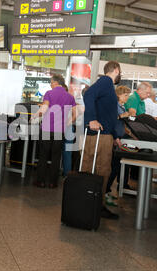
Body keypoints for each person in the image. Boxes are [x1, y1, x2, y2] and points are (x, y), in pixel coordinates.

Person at [82, 61, 122, 220]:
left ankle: (95, 204)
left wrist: (115, 135)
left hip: (104, 135)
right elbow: (88, 94)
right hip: (99, 136)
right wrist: (91, 119)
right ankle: (95, 206)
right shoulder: (106, 82)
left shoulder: (107, 86)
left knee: (98, 170)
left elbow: (107, 114)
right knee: (100, 170)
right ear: (117, 70)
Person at [31, 74, 77, 188]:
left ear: (56, 82)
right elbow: (75, 114)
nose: (50, 85)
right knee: (56, 157)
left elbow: (44, 108)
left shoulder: (49, 93)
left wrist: (35, 116)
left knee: (43, 155)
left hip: (46, 129)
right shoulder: (70, 97)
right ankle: (53, 182)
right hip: (59, 131)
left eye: (51, 83)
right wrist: (67, 124)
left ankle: (40, 181)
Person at [104, 85, 132, 207]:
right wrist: (123, 116)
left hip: (119, 137)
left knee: (116, 166)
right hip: (113, 138)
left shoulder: (122, 106)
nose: (127, 98)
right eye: (125, 95)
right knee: (113, 166)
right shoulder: (114, 106)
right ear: (119, 95)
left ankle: (107, 190)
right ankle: (105, 192)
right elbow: (110, 120)